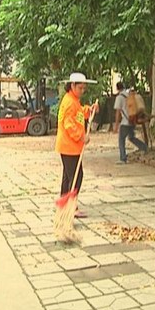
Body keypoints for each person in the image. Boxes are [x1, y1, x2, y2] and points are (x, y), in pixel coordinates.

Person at [55, 72, 99, 218]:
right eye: (80, 88)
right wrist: (81, 137)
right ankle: (71, 207)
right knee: (76, 177)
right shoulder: (68, 102)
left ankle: (64, 204)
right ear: (72, 86)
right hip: (69, 147)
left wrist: (90, 110)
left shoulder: (74, 100)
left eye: (83, 88)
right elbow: (69, 124)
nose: (82, 91)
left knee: (68, 177)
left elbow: (79, 114)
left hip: (71, 147)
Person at [114, 82, 147, 164]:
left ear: (117, 88)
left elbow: (118, 112)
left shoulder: (119, 97)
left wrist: (116, 125)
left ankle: (123, 158)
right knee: (131, 137)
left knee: (121, 139)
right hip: (132, 120)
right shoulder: (130, 95)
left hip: (125, 122)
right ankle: (144, 147)